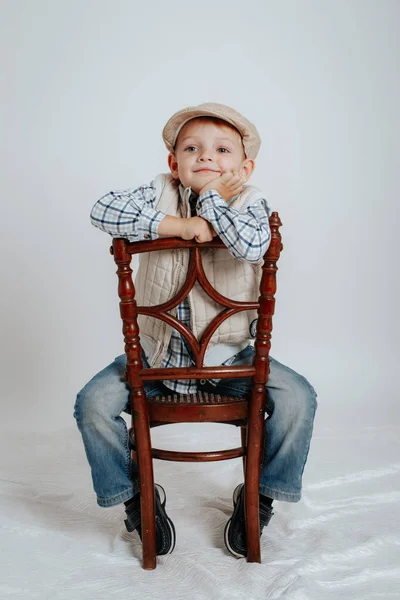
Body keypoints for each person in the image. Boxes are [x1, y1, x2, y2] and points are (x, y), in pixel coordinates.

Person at [74, 103, 317, 559]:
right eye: (192, 149)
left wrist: (211, 200)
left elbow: (251, 244)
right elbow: (101, 209)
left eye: (222, 150)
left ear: (244, 168)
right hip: (153, 354)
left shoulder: (252, 202)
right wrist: (180, 225)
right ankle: (137, 500)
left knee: (300, 399)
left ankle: (258, 499)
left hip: (231, 357)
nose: (206, 157)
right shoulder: (157, 193)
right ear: (174, 164)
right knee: (92, 405)